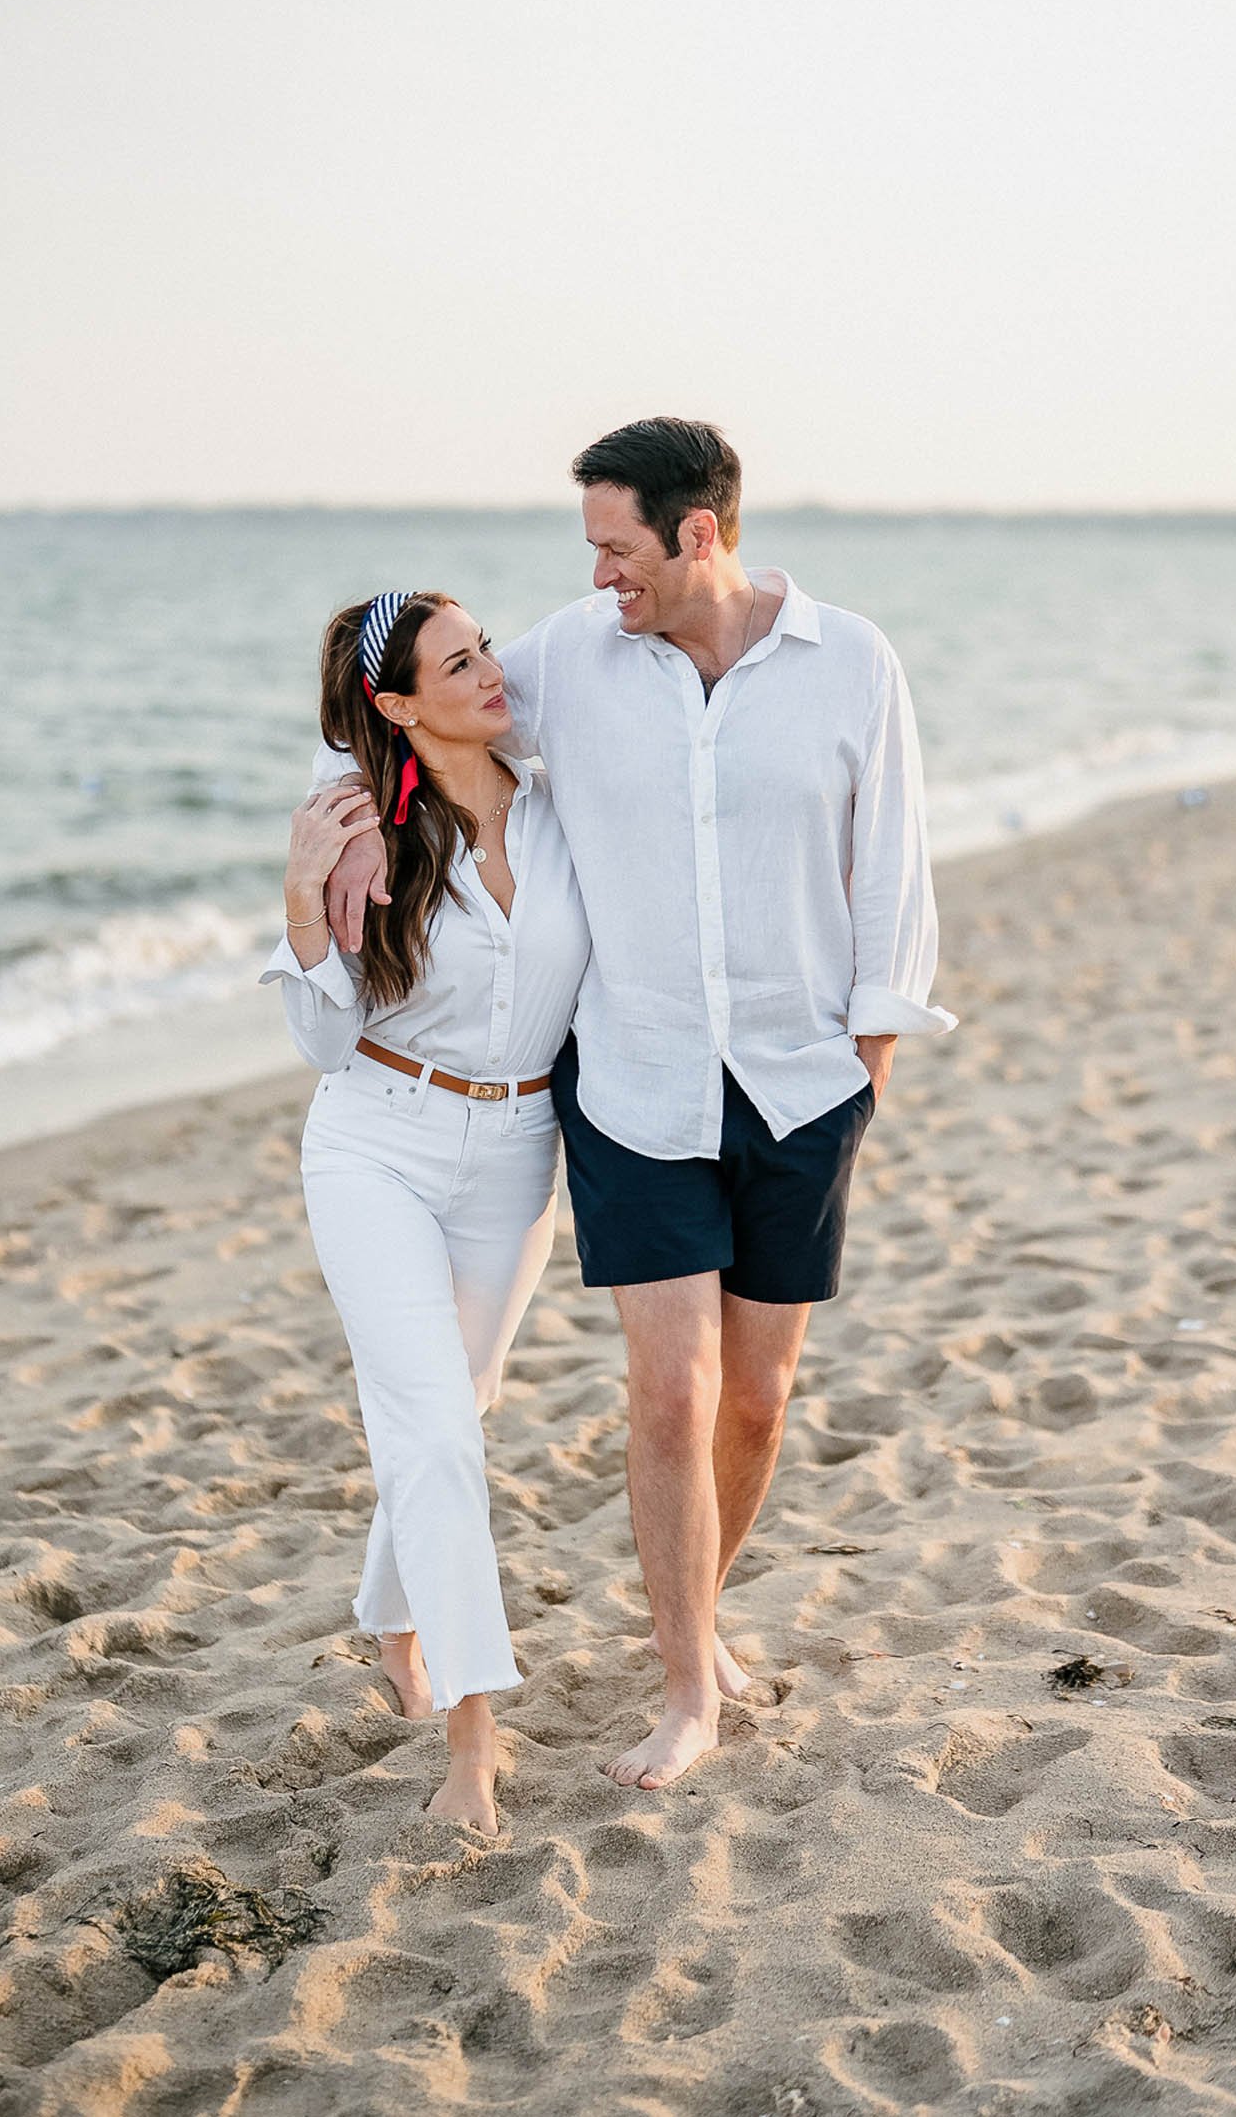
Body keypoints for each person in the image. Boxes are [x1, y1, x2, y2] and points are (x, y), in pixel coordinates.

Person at [323, 419, 955, 1792]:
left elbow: (891, 868)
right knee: (670, 1394)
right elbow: (425, 715)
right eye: (592, 551)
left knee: (759, 1403)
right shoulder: (567, 655)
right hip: (633, 1081)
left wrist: (869, 1068)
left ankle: (702, 1616)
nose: (601, 575)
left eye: (619, 548)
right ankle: (686, 1688)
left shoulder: (849, 662)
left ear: (699, 534)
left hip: (799, 1086)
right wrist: (344, 822)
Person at [264, 588, 589, 1836]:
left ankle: (389, 1614)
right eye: (458, 665)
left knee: (460, 1407)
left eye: (487, 647)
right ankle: (473, 1736)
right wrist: (303, 896)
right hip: (375, 1142)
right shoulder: (362, 831)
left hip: (517, 1150)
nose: (492, 673)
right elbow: (322, 1037)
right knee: (438, 1434)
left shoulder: (559, 800)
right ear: (398, 707)